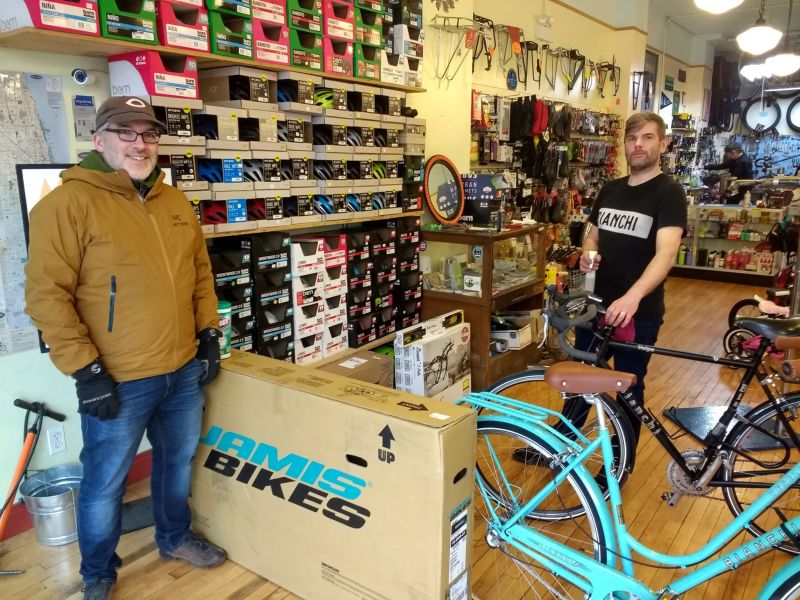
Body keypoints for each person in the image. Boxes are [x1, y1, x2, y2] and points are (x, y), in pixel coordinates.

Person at [24, 96, 226, 600]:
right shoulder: (65, 204)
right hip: (117, 376)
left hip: (181, 370)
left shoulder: (173, 201)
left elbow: (199, 274)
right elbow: (46, 296)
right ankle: (97, 572)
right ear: (99, 140)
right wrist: (85, 370)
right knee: (105, 482)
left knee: (175, 464)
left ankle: (174, 538)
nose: (140, 144)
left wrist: (208, 334)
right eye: (127, 133)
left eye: (149, 135)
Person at [574, 112, 687, 453]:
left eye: (647, 138)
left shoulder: (669, 193)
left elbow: (665, 254)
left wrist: (633, 297)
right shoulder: (610, 190)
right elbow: (592, 237)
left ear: (663, 144)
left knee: (628, 386)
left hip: (636, 313)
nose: (638, 145)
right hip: (595, 307)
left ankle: (623, 459)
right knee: (581, 377)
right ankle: (561, 446)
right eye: (632, 138)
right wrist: (588, 255)